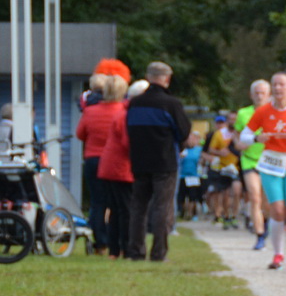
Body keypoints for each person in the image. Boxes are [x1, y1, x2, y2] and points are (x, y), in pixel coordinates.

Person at [237, 70, 286, 269]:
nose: (277, 88)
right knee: (277, 211)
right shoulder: (263, 112)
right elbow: (244, 137)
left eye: (282, 84)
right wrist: (257, 138)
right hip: (271, 163)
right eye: (275, 84)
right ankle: (278, 255)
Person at [124, 61, 192, 261]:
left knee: (138, 207)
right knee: (162, 207)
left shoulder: (134, 103)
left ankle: (136, 251)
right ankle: (159, 252)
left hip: (139, 161)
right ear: (167, 79)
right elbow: (184, 131)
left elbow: (129, 129)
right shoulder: (172, 104)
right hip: (165, 162)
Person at [77, 70, 131, 257]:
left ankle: (100, 242)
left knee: (97, 202)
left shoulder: (90, 111)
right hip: (116, 161)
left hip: (93, 158)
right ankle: (120, 243)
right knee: (118, 204)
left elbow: (80, 134)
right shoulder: (123, 112)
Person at [237, 79, 271, 249]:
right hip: (249, 160)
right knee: (254, 197)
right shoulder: (243, 113)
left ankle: (265, 224)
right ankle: (259, 235)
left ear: (269, 95)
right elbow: (236, 138)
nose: (259, 96)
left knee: (267, 202)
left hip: (270, 160)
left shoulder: (274, 113)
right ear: (251, 95)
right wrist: (240, 144)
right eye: (256, 93)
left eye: (263, 93)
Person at [203, 112, 242, 227]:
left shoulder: (241, 133)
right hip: (223, 168)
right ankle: (225, 215)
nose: (233, 121)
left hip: (238, 167)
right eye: (230, 119)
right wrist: (220, 152)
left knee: (236, 191)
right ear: (227, 121)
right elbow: (210, 150)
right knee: (224, 194)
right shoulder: (219, 134)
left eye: (235, 119)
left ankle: (234, 215)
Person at [178, 131, 204, 221]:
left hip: (194, 177)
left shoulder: (199, 150)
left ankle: (191, 213)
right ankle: (184, 212)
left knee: (193, 196)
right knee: (182, 197)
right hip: (182, 176)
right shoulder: (182, 150)